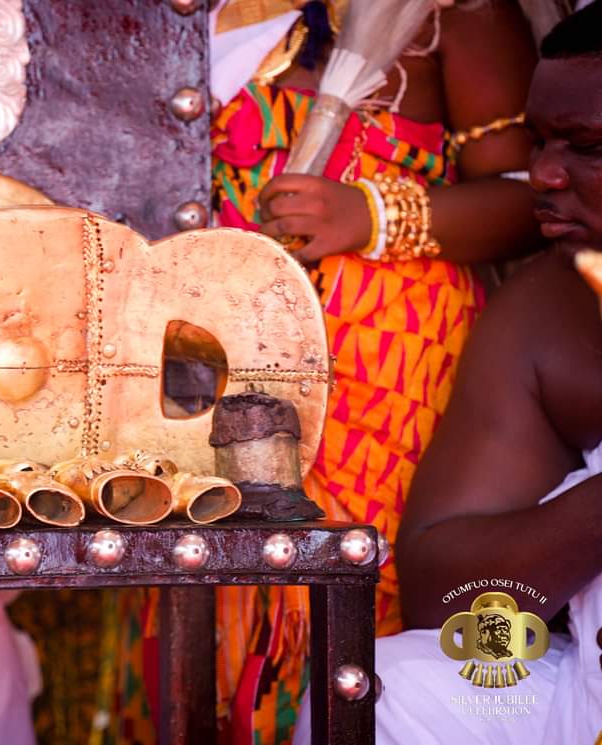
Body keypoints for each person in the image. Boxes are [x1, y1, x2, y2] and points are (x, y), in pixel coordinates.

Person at [110, 2, 546, 743]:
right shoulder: (181, 14)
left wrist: (368, 215)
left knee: (350, 608)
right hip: (198, 366)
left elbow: (536, 196)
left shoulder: (455, 12)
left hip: (383, 371)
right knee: (205, 603)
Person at [291, 3, 602, 740]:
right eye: (540, 141)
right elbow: (451, 603)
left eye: (588, 146)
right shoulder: (550, 312)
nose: (544, 174)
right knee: (391, 690)